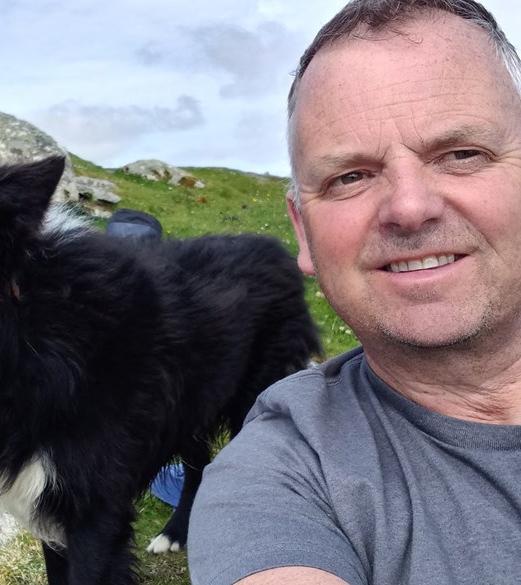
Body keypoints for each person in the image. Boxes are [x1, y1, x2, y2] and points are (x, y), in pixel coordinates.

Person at [188, 1, 521, 584]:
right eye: (350, 177)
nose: (410, 207)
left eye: (463, 153)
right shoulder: (282, 478)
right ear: (303, 232)